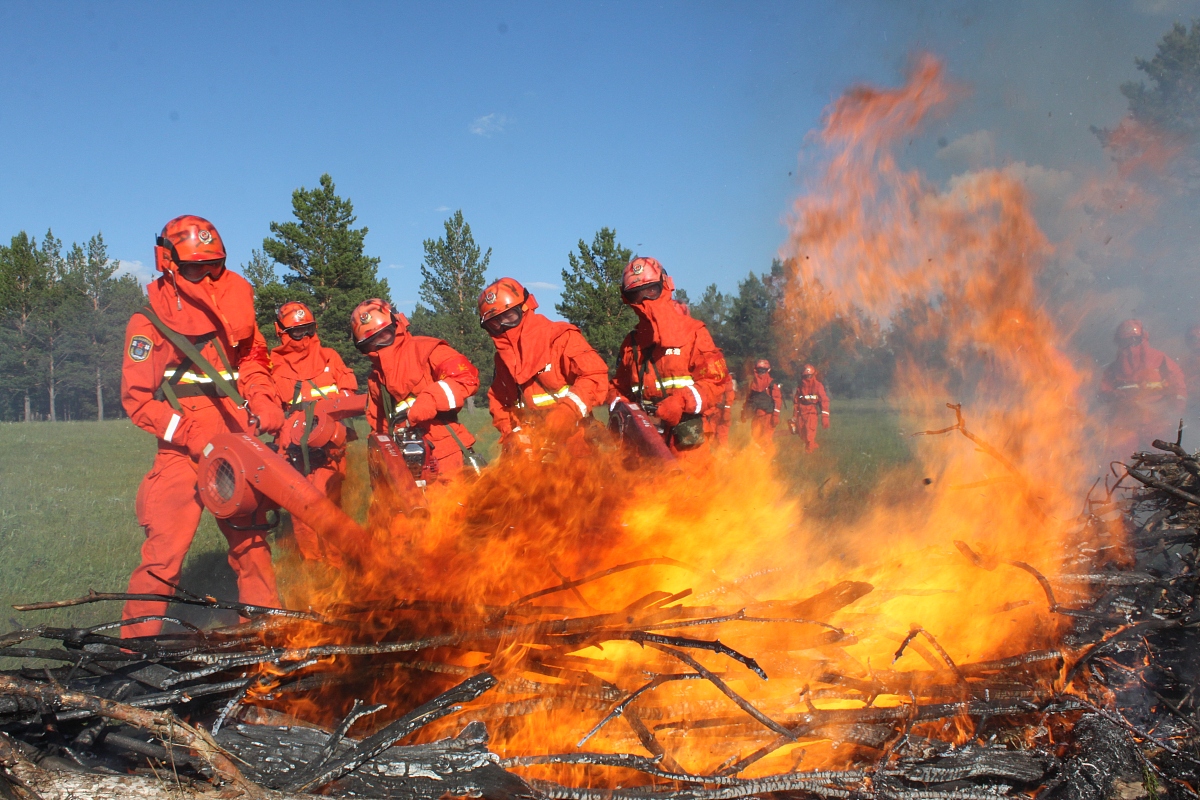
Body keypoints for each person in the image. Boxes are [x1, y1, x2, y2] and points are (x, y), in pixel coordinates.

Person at [120, 215, 285, 638]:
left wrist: (264, 397)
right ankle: (133, 655)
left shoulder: (235, 303)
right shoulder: (148, 320)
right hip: (180, 453)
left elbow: (251, 358)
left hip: (233, 444)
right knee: (162, 556)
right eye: (196, 267)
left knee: (251, 546)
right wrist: (190, 434)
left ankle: (263, 637)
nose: (209, 276)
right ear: (168, 262)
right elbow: (137, 401)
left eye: (215, 264)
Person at [352, 298, 481, 481]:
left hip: (446, 455)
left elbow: (466, 378)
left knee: (454, 508)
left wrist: (431, 398)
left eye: (384, 336)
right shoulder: (376, 380)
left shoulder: (427, 349)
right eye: (371, 343)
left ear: (397, 325)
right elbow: (378, 428)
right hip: (402, 464)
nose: (379, 346)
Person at [268, 301, 359, 561]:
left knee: (330, 504)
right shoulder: (272, 365)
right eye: (297, 332)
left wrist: (330, 422)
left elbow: (347, 394)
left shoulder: (329, 356)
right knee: (302, 508)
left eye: (308, 330)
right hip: (294, 447)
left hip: (329, 443)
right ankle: (316, 566)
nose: (304, 337)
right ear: (281, 331)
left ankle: (339, 562)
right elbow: (270, 407)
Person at [612, 257, 729, 456]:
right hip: (643, 448)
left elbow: (715, 383)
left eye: (651, 290)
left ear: (665, 285)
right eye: (636, 295)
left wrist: (681, 402)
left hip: (686, 445)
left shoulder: (693, 332)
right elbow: (619, 389)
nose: (645, 300)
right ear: (627, 298)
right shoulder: (631, 344)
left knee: (693, 487)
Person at [478, 277, 609, 447]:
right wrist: (511, 433)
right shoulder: (503, 359)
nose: (503, 326)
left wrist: (568, 411)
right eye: (494, 324)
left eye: (509, 316)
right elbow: (499, 402)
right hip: (533, 446)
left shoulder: (561, 337)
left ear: (525, 308)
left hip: (575, 439)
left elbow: (594, 375)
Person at [1100, 319, 1186, 457]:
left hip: (1156, 420)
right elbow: (1104, 393)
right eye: (1126, 342)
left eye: (1134, 340)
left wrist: (1175, 411)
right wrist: (1117, 399)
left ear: (1142, 338)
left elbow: (1178, 385)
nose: (1130, 346)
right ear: (1119, 343)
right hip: (1127, 423)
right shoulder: (1114, 368)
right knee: (1120, 461)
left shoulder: (1159, 359)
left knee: (1163, 460)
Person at [791, 364, 830, 453]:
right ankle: (814, 448)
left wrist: (825, 417)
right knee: (802, 434)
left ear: (813, 375)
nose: (807, 378)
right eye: (806, 376)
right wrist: (794, 416)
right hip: (801, 413)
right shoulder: (800, 387)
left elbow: (824, 401)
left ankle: (810, 453)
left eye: (809, 376)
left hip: (811, 412)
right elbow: (797, 402)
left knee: (809, 434)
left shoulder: (818, 386)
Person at [743, 359, 782, 444]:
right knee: (755, 436)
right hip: (756, 416)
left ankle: (769, 455)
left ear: (768, 370)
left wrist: (775, 416)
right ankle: (761, 455)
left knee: (766, 439)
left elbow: (777, 400)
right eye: (759, 370)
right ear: (755, 369)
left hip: (768, 416)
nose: (761, 372)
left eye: (763, 370)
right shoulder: (752, 383)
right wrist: (744, 413)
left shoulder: (772, 384)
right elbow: (748, 399)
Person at [714, 375, 737, 448]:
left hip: (720, 410)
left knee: (722, 434)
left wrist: (727, 410)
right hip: (712, 411)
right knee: (710, 434)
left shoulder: (725, 378)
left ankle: (722, 454)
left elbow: (729, 394)